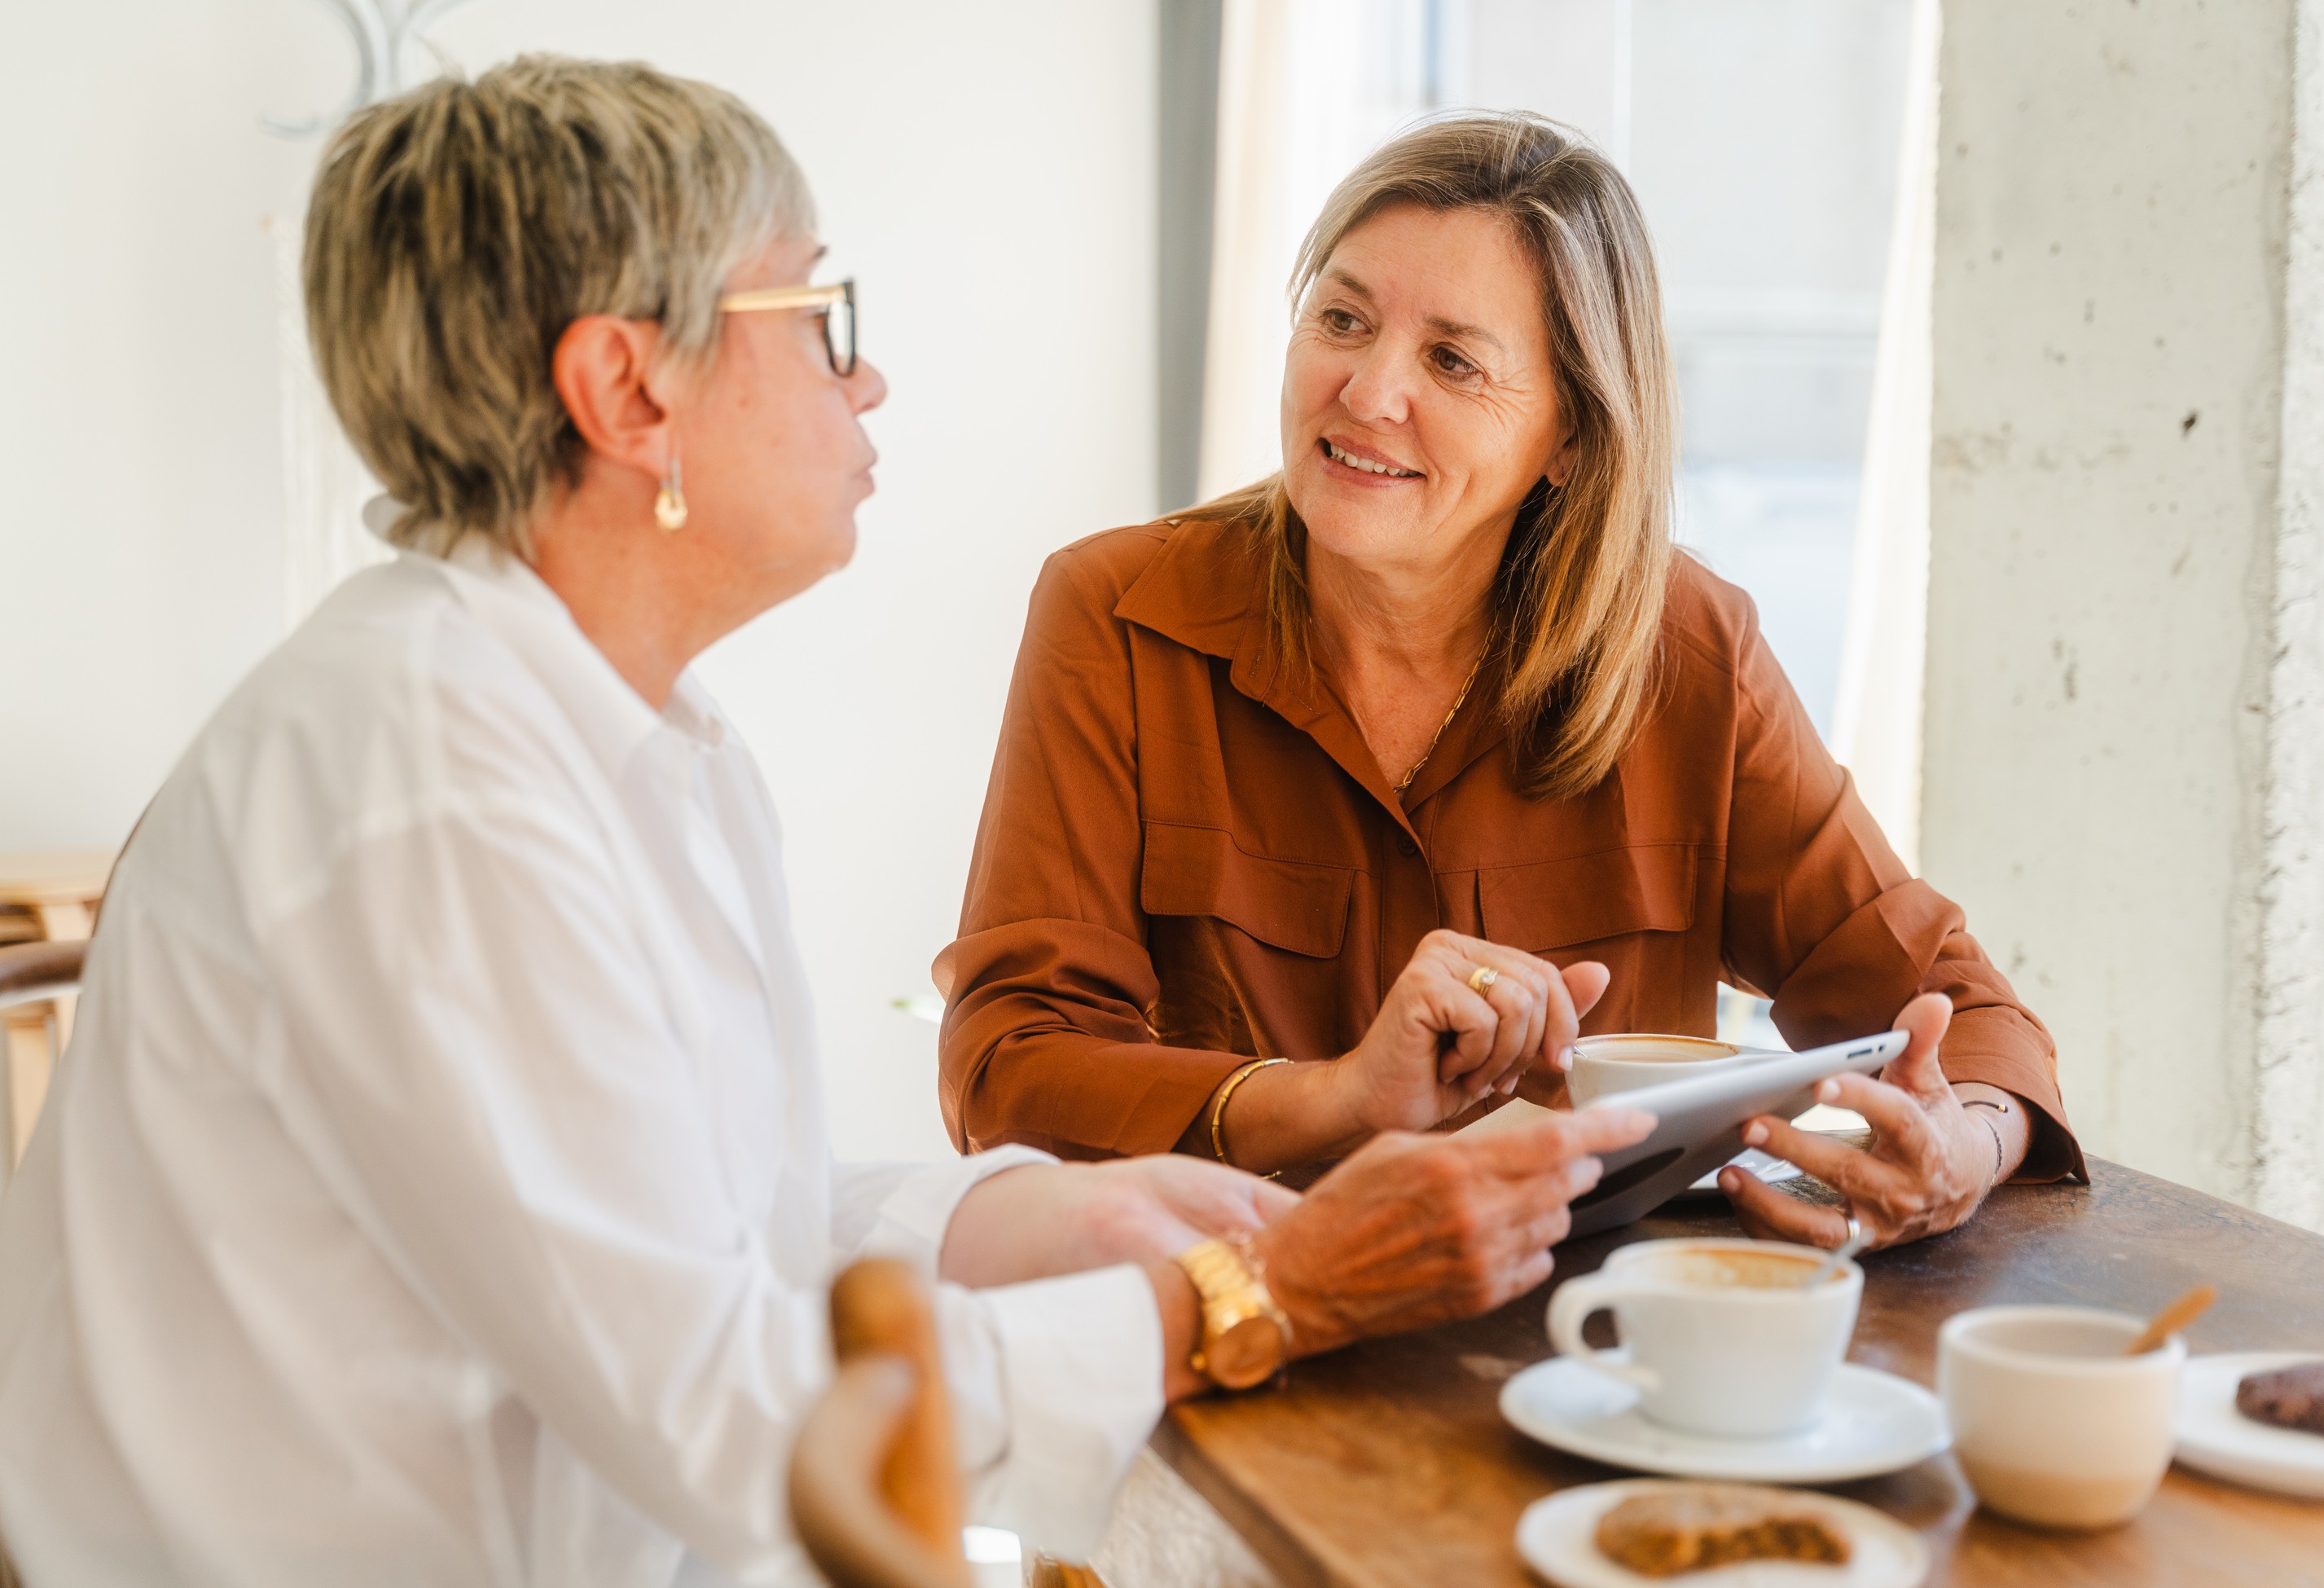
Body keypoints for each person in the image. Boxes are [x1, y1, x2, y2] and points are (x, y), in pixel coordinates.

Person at [0, 63, 1653, 1587]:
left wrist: (1031, 1217)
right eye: (814, 314)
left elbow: (699, 1220)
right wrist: (1261, 1292)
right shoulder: (420, 785)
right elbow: (727, 1417)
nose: (865, 374)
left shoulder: (631, 733)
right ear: (625, 389)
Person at [938, 112, 2082, 1254]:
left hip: (1587, 1348)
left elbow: (1954, 1011)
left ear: (1571, 433)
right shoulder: (1117, 612)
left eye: (1450, 360)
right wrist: (1337, 1096)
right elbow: (1009, 1064)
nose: (1366, 390)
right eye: (1340, 319)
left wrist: (1962, 1146)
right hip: (1237, 1320)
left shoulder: (1686, 645)